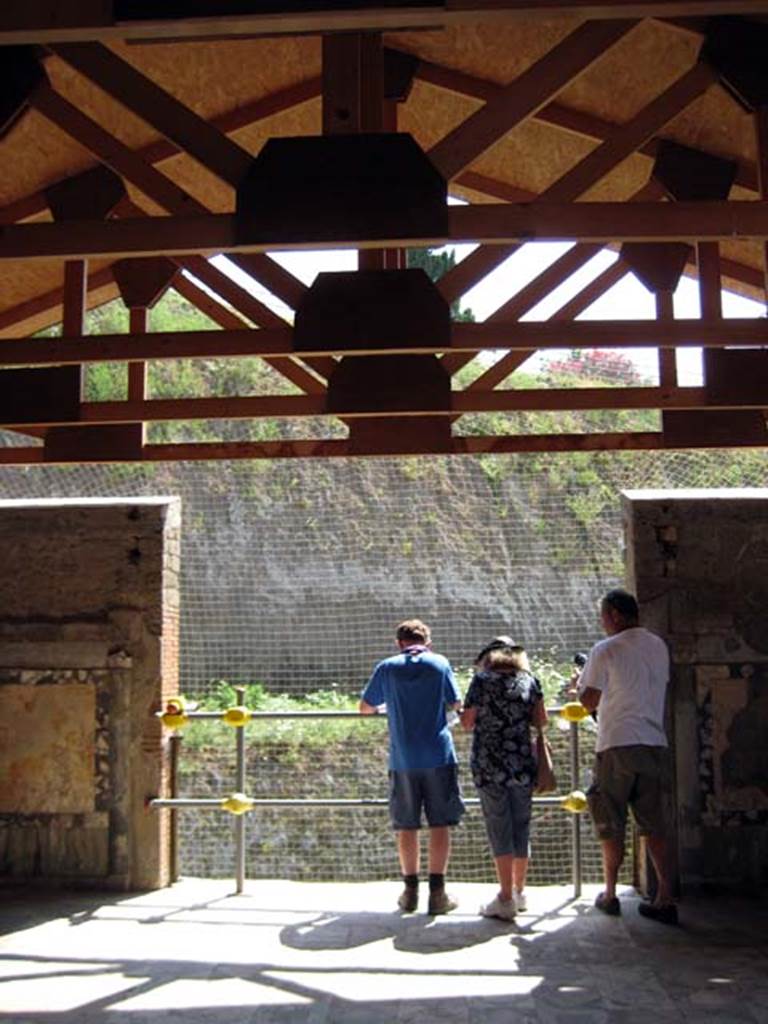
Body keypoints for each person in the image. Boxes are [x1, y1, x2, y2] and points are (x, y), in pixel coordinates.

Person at [577, 588, 677, 925]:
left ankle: (609, 893)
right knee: (654, 823)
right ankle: (664, 895)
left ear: (615, 615)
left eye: (604, 616)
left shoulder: (605, 649)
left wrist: (580, 685)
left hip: (617, 743)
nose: (602, 623)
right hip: (653, 741)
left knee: (611, 819)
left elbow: (588, 702)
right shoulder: (658, 645)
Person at [359, 618, 465, 915]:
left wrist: (386, 706)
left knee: (406, 824)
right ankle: (438, 893)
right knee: (440, 823)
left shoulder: (387, 667)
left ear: (399, 643)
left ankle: (409, 892)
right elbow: (457, 703)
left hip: (403, 758)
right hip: (439, 755)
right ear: (427, 642)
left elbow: (365, 708)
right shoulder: (439, 663)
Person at [461, 640, 547, 921]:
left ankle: (505, 897)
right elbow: (541, 720)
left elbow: (467, 722)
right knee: (521, 825)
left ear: (490, 660)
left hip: (489, 765)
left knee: (500, 827)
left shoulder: (482, 680)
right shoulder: (529, 680)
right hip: (522, 763)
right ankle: (520, 892)